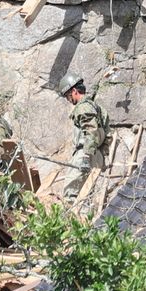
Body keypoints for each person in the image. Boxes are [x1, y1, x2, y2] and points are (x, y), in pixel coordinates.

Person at [58, 74, 109, 204]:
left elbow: (91, 130)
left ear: (74, 91)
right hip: (95, 155)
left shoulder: (83, 107)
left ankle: (70, 222)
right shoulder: (96, 107)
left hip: (85, 154)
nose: (68, 100)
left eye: (67, 96)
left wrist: (86, 157)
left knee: (71, 194)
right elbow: (103, 133)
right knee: (85, 197)